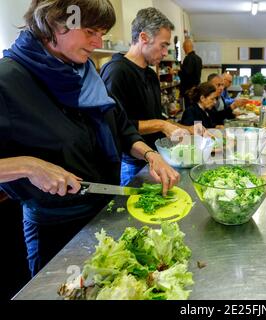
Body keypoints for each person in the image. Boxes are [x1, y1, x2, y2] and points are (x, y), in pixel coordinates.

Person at [0, 0, 179, 276]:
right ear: (54, 22)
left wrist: (149, 154)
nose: (98, 42)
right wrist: (29, 165)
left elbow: (118, 125)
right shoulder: (8, 80)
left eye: (102, 32)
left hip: (102, 213)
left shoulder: (84, 72)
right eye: (90, 32)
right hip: (55, 230)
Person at [100, 8, 202, 186]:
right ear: (144, 37)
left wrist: (189, 129)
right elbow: (115, 126)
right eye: (163, 45)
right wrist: (162, 125)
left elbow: (156, 118)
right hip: (132, 163)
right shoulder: (117, 71)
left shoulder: (151, 75)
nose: (164, 53)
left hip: (155, 158)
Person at [178, 38, 202, 106]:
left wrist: (177, 72)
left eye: (183, 47)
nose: (183, 48)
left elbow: (186, 74)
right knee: (195, 107)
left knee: (189, 108)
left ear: (186, 47)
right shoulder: (199, 59)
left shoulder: (188, 58)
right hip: (196, 88)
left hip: (189, 90)